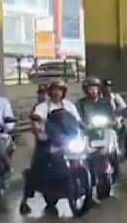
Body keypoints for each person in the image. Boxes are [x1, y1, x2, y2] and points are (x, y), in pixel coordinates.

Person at [21, 81, 82, 215]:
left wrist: (84, 128)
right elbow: (36, 121)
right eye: (54, 90)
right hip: (49, 141)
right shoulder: (43, 107)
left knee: (87, 157)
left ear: (63, 92)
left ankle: (89, 192)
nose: (57, 92)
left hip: (67, 140)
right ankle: (25, 199)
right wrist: (38, 131)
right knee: (38, 166)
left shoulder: (69, 106)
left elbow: (77, 121)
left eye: (60, 90)